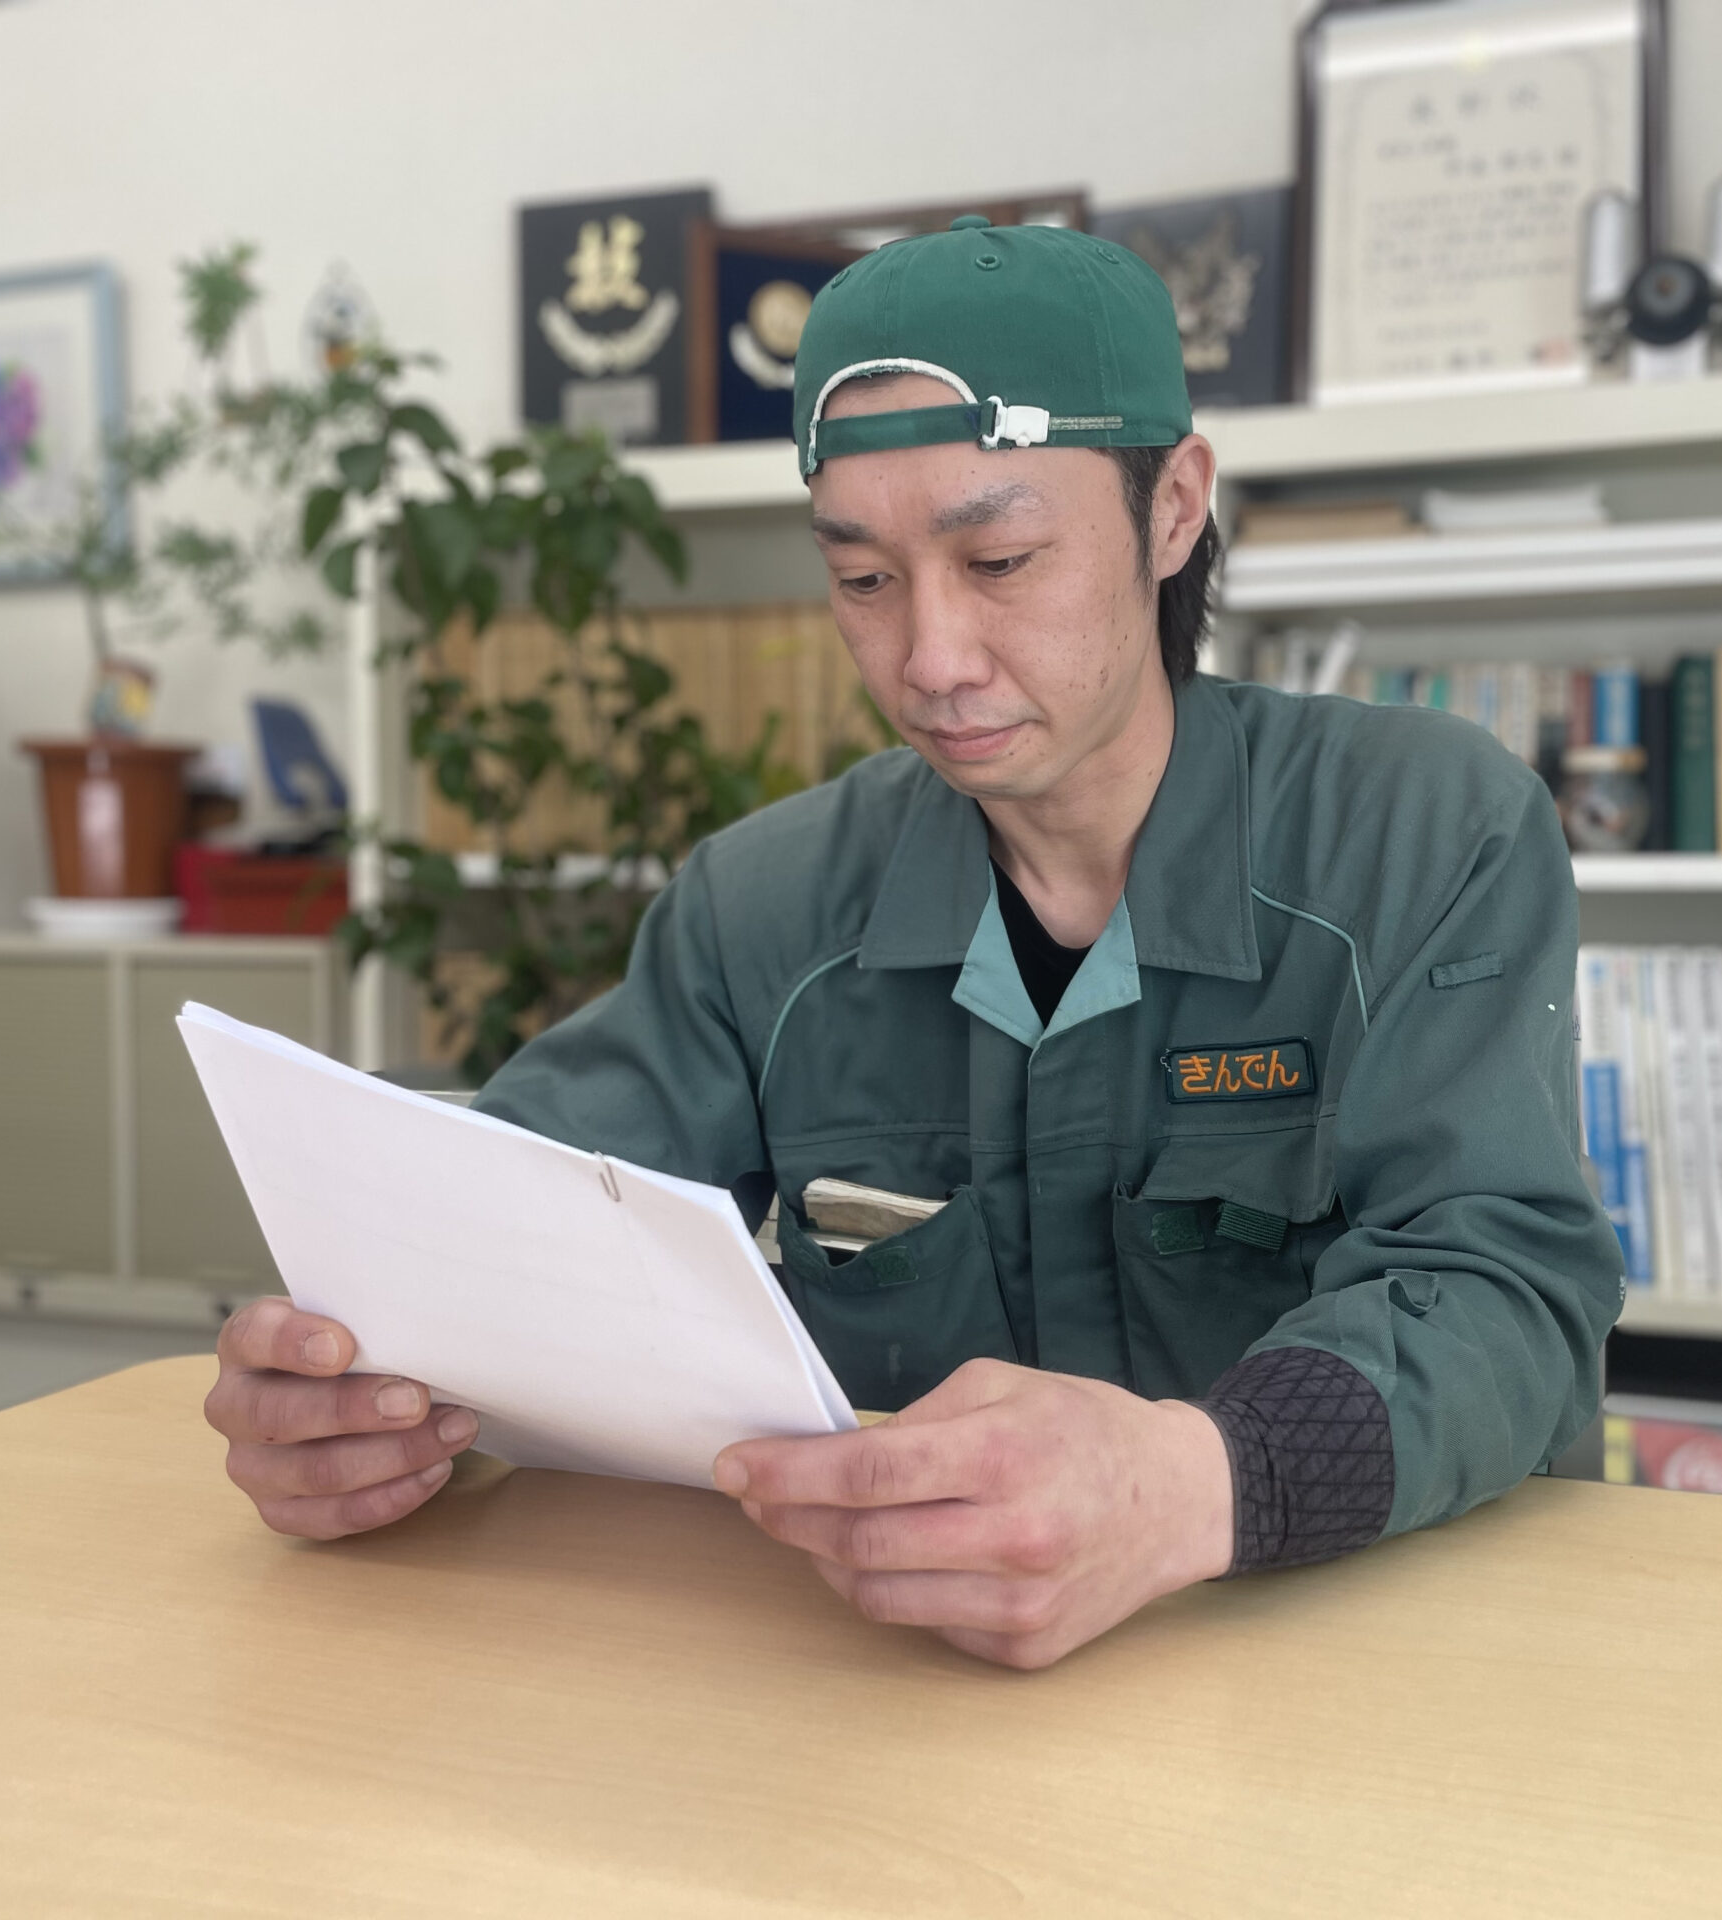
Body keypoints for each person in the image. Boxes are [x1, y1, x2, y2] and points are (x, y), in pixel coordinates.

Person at [205, 216, 1624, 1669]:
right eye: (864, 580)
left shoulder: (1423, 834)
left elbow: (1509, 1286)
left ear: (1174, 510)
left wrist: (1186, 1485)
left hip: (1361, 1666)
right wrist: (367, 1393)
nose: (931, 661)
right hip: (899, 1696)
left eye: (1000, 558)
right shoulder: (762, 908)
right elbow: (512, 1228)